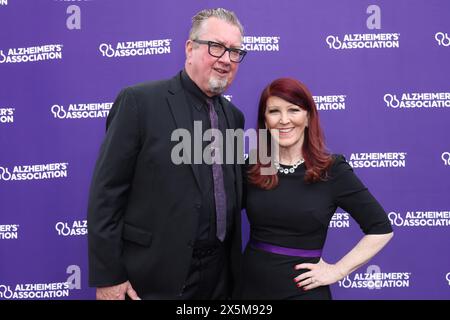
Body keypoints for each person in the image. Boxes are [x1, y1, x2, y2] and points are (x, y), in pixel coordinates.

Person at [87, 8, 247, 300]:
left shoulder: (234, 118)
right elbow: (106, 195)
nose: (226, 59)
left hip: (221, 278)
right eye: (216, 47)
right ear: (190, 48)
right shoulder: (140, 103)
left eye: (235, 51)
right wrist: (109, 277)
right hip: (152, 277)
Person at [241, 78, 393, 300]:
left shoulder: (332, 170)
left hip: (303, 292)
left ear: (308, 117)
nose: (284, 120)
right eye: (274, 111)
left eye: (293, 110)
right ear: (264, 120)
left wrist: (338, 270)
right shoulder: (253, 167)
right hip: (249, 291)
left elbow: (381, 228)